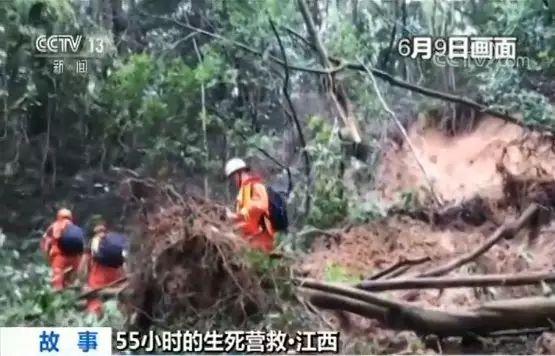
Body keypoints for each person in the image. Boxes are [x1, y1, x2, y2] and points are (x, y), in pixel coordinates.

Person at [225, 158, 276, 253]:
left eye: (233, 177)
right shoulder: (244, 192)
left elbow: (261, 206)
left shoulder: (256, 186)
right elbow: (246, 218)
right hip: (249, 240)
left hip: (261, 240)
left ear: (239, 173)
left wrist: (238, 215)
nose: (233, 181)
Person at [82, 222, 127, 316]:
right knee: (120, 309)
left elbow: (83, 267)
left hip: (97, 282)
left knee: (95, 310)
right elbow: (124, 264)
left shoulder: (93, 243)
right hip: (117, 280)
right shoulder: (115, 245)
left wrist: (83, 283)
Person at [41, 208, 84, 291]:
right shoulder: (74, 228)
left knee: (57, 281)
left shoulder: (54, 226)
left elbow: (45, 243)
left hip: (59, 257)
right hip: (75, 258)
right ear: (70, 217)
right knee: (71, 281)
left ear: (58, 217)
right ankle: (72, 296)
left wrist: (47, 258)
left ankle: (59, 297)